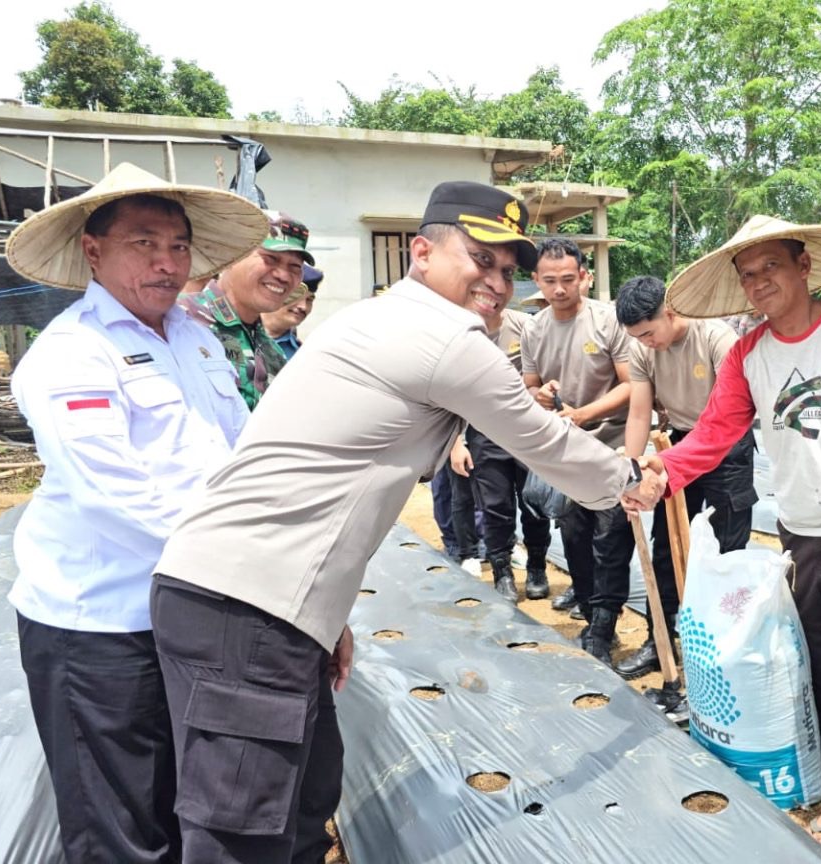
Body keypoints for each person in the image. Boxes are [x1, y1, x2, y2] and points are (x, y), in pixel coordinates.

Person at [148, 181, 665, 863]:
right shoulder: (442, 340)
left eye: (509, 270)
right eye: (480, 259)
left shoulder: (377, 320)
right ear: (421, 251)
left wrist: (323, 620)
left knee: (304, 801)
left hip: (265, 602)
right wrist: (632, 479)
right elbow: (543, 440)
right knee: (240, 835)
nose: (497, 282)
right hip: (247, 607)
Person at [2, 162, 266, 862]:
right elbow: (116, 498)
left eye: (178, 245)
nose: (167, 262)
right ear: (94, 251)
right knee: (119, 826)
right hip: (101, 628)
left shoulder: (195, 337)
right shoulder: (72, 353)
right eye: (143, 243)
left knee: (182, 800)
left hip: (186, 610)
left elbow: (240, 451)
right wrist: (246, 571)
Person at [647, 215, 821, 852]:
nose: (760, 282)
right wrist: (661, 475)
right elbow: (713, 433)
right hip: (798, 531)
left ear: (804, 267)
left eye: (771, 267)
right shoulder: (749, 353)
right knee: (817, 661)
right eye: (748, 274)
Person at [614, 274, 756, 679]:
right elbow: (640, 413)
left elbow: (728, 414)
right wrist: (633, 468)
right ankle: (659, 639)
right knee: (667, 544)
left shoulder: (715, 337)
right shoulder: (641, 350)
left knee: (728, 549)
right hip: (676, 444)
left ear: (670, 312)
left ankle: (724, 647)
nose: (645, 342)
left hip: (728, 445)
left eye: (648, 332)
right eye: (637, 337)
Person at [520, 238, 635, 665]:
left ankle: (604, 627)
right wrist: (542, 393)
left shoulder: (608, 322)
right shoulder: (534, 328)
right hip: (565, 452)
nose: (560, 289)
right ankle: (590, 613)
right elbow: (529, 385)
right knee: (574, 537)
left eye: (569, 279)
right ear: (536, 281)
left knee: (612, 539)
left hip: (611, 447)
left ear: (584, 277)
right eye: (550, 281)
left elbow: (631, 385)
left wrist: (584, 414)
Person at [447, 257, 554, 601]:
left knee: (534, 503)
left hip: (527, 434)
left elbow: (545, 377)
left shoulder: (525, 327)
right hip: (484, 435)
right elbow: (448, 395)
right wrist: (456, 443)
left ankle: (536, 565)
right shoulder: (458, 333)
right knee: (494, 507)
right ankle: (502, 571)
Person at [179, 212, 314, 408]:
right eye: (270, 259)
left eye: (295, 267)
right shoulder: (181, 321)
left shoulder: (271, 350)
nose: (284, 276)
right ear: (233, 256)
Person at [260, 264, 322, 359]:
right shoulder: (235, 336)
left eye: (309, 300)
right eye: (297, 296)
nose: (303, 307)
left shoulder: (301, 355)